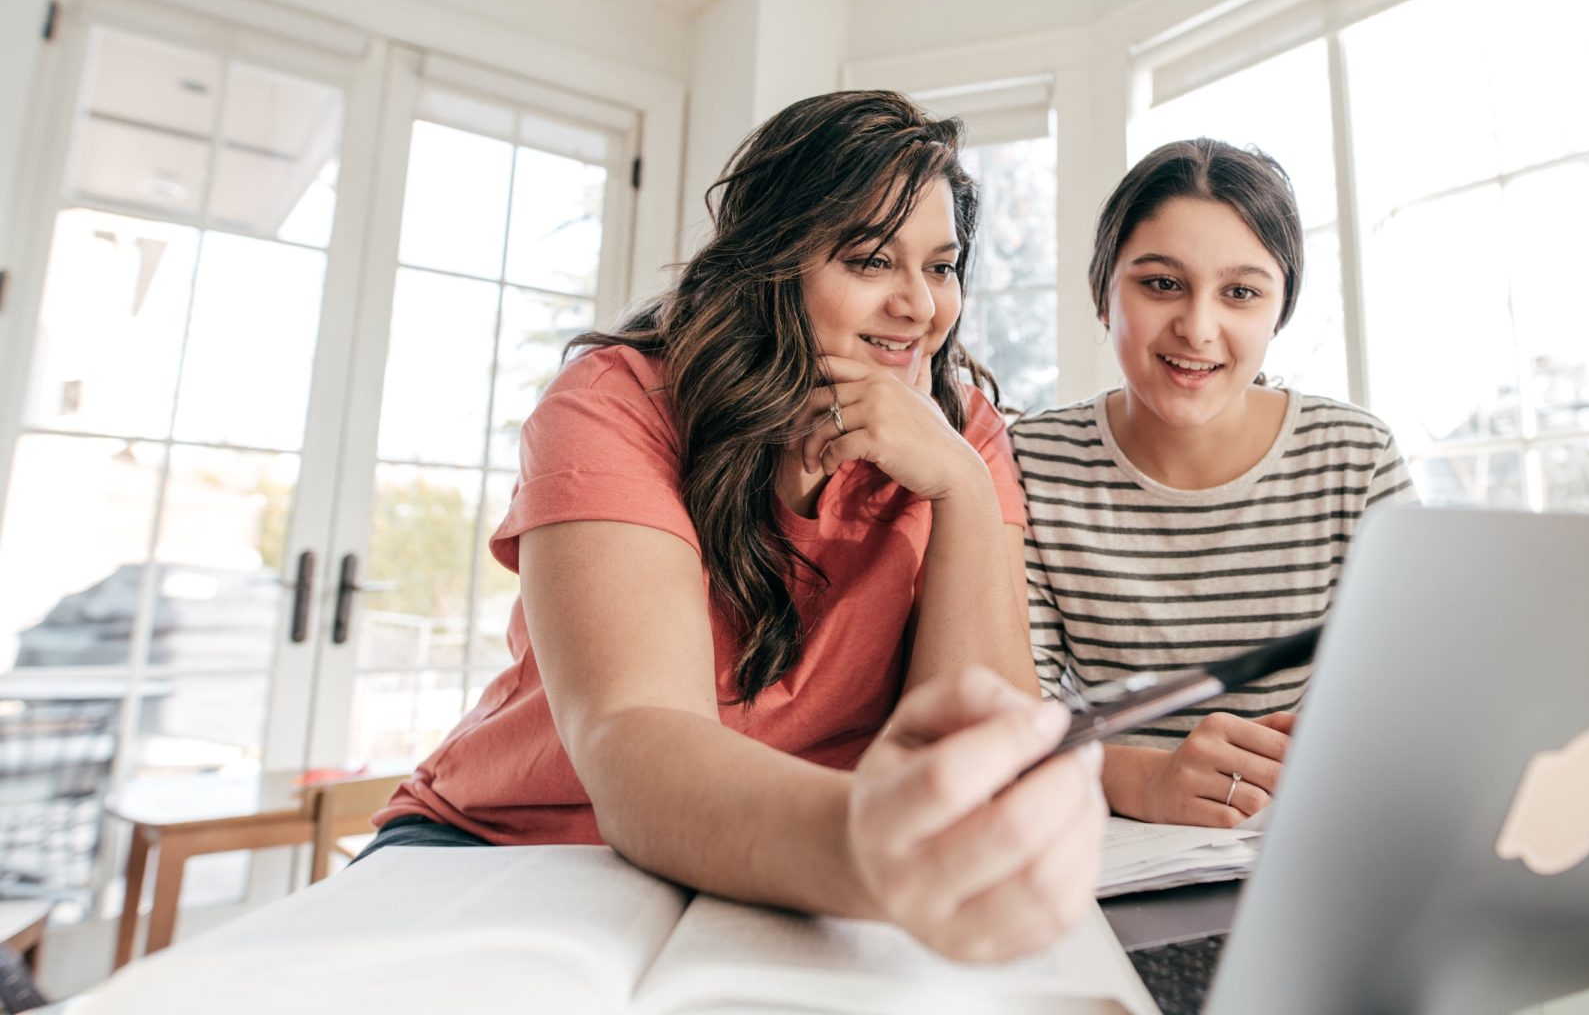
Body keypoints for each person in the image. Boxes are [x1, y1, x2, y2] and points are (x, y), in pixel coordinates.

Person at [364, 91, 1105, 963]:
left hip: (780, 870)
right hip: (518, 849)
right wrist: (870, 845)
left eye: (940, 268)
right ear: (773, 262)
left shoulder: (961, 433)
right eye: (871, 261)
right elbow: (635, 741)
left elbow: (980, 746)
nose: (920, 307)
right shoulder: (617, 401)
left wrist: (964, 490)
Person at [1016, 138, 1414, 830]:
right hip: (1108, 853)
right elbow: (1012, 725)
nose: (1198, 328)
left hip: (1309, 840)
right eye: (1161, 283)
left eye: (1240, 292)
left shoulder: (1356, 457)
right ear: (1104, 293)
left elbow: (1413, 700)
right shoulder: (1030, 464)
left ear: (1279, 310)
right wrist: (1141, 778)